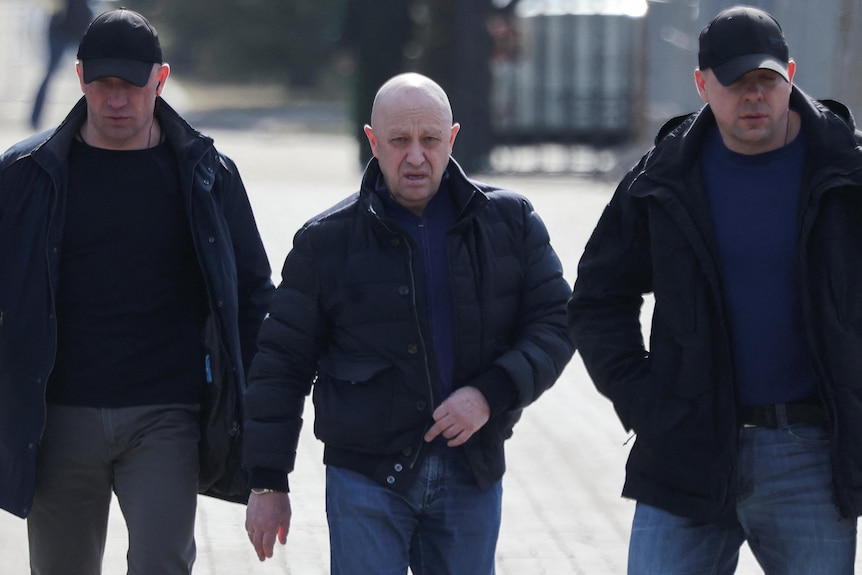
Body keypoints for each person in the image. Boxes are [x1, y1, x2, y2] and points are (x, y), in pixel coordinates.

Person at [568, 5, 862, 574]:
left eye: (766, 81)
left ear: (791, 75)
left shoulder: (846, 173)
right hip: (685, 450)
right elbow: (597, 299)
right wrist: (646, 405)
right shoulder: (661, 178)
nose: (754, 97)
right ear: (702, 85)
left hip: (810, 457)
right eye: (736, 83)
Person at [242, 72, 573, 574]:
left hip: (471, 473)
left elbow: (558, 322)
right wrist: (268, 481)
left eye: (430, 140)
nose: (416, 157)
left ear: (452, 139)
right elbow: (281, 363)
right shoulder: (324, 242)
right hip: (365, 478)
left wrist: (490, 393)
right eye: (399, 141)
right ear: (373, 142)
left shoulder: (510, 222)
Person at [0, 8, 274, 574]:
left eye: (131, 85)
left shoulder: (206, 174)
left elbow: (251, 297)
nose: (116, 100)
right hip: (58, 418)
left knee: (163, 562)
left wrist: (259, 420)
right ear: (80, 79)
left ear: (161, 79)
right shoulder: (24, 175)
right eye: (103, 84)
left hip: (165, 414)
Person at [30, 0, 93, 129]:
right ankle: (34, 119)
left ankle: (91, 118)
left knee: (91, 74)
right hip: (59, 28)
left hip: (79, 27)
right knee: (50, 73)